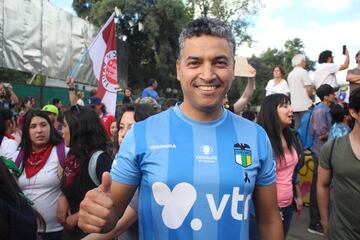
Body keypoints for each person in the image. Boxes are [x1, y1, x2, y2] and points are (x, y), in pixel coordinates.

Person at [78, 17, 283, 240]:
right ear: (179, 69)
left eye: (220, 62)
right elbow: (113, 214)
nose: (207, 74)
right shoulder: (141, 135)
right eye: (194, 62)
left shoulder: (255, 137)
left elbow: (269, 219)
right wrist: (100, 215)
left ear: (233, 68)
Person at [59, 105, 113, 239]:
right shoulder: (73, 157)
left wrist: (77, 217)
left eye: (65, 126)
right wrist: (63, 196)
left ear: (78, 128)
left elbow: (114, 201)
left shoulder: (100, 159)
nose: (61, 131)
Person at [258, 94, 303, 237]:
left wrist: (298, 196)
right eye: (284, 106)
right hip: (267, 209)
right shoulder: (261, 140)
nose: (290, 109)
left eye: (289, 105)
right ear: (272, 111)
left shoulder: (291, 137)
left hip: (288, 205)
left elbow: (292, 172)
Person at [317, 88, 360, 240]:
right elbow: (322, 185)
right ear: (354, 112)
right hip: (341, 233)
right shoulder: (333, 147)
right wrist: (326, 224)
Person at [16, 110, 65, 240]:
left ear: (51, 127)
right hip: (24, 229)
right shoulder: (18, 156)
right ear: (26, 131)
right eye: (33, 126)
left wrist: (64, 196)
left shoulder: (63, 153)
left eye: (43, 125)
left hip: (55, 231)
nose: (39, 130)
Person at [307, 84, 337, 235]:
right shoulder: (320, 111)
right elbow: (320, 133)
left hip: (324, 152)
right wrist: (337, 129)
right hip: (320, 152)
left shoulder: (327, 109)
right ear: (326, 96)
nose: (334, 95)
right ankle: (314, 222)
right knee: (317, 187)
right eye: (332, 93)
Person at [287, 54, 314, 128]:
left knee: (298, 127)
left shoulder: (290, 75)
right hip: (305, 105)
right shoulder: (303, 72)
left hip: (294, 106)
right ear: (302, 62)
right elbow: (309, 88)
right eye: (304, 62)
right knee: (307, 127)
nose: (305, 63)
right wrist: (311, 97)